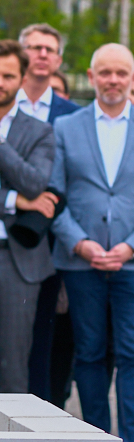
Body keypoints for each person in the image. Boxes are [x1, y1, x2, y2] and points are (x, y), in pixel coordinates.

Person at [51, 43, 134, 442]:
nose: (113, 80)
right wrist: (80, 244)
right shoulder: (66, 128)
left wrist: (131, 247)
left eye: (121, 73)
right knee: (89, 353)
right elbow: (54, 195)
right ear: (91, 76)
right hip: (80, 262)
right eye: (105, 72)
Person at [16, 23, 80, 405]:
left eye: (49, 49)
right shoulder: (5, 106)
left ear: (58, 60)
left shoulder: (74, 115)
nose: (42, 54)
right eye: (35, 47)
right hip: (9, 233)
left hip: (54, 243)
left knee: (47, 339)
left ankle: (44, 414)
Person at [0, 40, 57, 394]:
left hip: (16, 261)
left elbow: (35, 184)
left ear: (22, 80)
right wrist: (12, 199)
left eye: (7, 76)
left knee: (12, 364)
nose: (0, 82)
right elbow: (25, 193)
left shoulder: (40, 131)